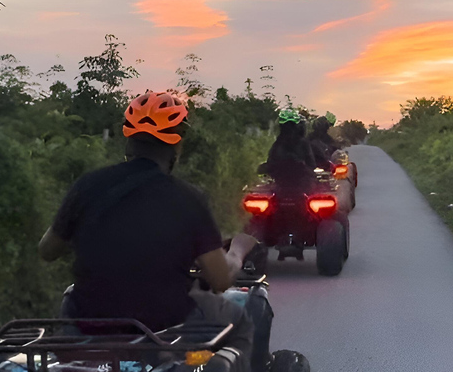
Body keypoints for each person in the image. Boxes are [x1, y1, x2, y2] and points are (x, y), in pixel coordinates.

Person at [38, 91, 257, 371]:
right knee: (239, 321)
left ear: (128, 140)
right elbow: (219, 281)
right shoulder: (188, 198)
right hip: (166, 324)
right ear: (176, 146)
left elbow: (47, 251)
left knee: (71, 297)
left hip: (88, 320)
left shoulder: (87, 186)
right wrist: (237, 251)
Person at [265, 109, 316, 190]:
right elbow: (312, 164)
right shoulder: (302, 143)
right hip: (291, 186)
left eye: (290, 126)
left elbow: (270, 164)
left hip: (287, 186)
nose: (288, 130)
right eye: (286, 127)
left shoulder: (278, 144)